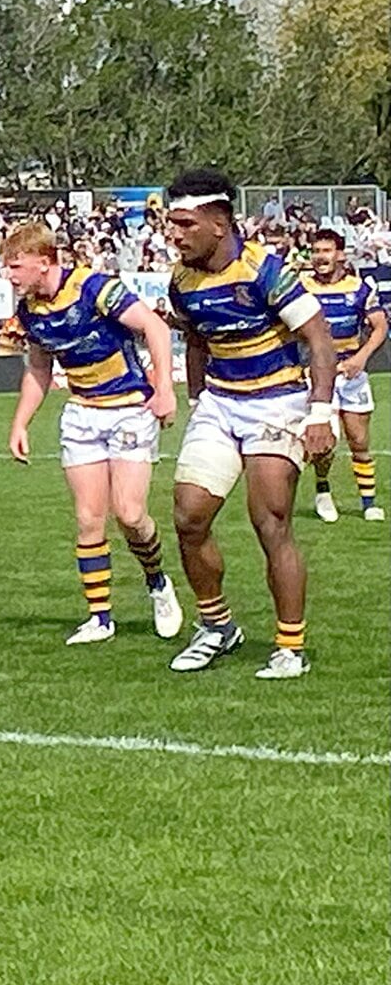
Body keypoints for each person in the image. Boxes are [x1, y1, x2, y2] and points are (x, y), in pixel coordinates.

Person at [160, 169, 336, 680]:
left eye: (185, 224)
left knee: (271, 521)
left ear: (219, 224)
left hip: (277, 402)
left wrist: (320, 413)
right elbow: (196, 340)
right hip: (220, 403)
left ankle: (289, 646)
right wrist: (197, 402)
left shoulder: (266, 271)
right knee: (189, 517)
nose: (174, 234)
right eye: (171, 223)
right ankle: (217, 627)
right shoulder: (181, 280)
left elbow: (319, 339)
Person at [1, 221, 183, 646]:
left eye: (15, 266)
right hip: (83, 413)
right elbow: (39, 369)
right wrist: (21, 422)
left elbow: (155, 328)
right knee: (88, 519)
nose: (9, 276)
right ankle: (100, 618)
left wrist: (164, 389)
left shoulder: (94, 288)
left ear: (44, 262)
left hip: (129, 410)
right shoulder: (30, 311)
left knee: (131, 515)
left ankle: (157, 582)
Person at [304, 228, 385, 522]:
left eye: (326, 251)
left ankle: (369, 503)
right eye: (315, 251)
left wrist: (361, 358)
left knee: (359, 439)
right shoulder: (301, 287)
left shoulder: (359, 288)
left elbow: (380, 326)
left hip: (350, 374)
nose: (320, 257)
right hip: (317, 375)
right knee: (324, 441)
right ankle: (323, 490)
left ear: (340, 254)